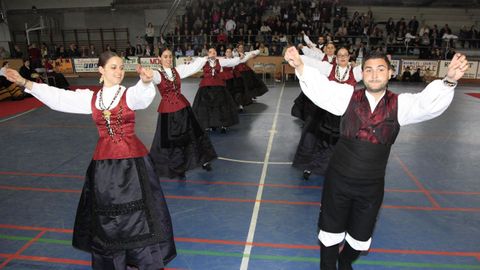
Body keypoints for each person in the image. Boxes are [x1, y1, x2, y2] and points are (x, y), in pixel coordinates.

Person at [284, 46, 468, 269]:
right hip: (338, 181)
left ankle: (344, 261)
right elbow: (322, 88)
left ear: (390, 73)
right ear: (363, 73)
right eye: (368, 70)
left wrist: (448, 80)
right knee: (329, 233)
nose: (374, 74)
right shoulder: (347, 97)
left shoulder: (401, 105)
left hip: (371, 187)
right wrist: (300, 66)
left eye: (380, 69)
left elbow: (426, 104)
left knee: (359, 240)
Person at [4, 51, 177, 269]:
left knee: (139, 216)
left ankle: (143, 259)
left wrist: (145, 82)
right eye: (113, 67)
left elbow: (141, 98)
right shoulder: (91, 98)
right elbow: (59, 98)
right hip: (104, 167)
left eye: (122, 67)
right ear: (101, 71)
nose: (119, 72)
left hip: (133, 165)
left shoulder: (128, 94)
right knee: (109, 219)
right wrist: (25, 83)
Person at [293, 47, 362, 180]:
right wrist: (296, 57)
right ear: (336, 58)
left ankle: (342, 169)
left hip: (345, 114)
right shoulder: (328, 68)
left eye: (345, 55)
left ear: (349, 57)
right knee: (317, 141)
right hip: (326, 113)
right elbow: (312, 63)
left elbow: (370, 67)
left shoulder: (356, 72)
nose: (342, 57)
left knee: (343, 143)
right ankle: (310, 167)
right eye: (340, 55)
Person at [149, 48, 217, 179]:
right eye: (165, 57)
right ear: (159, 58)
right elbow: (150, 76)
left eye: (170, 56)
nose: (168, 59)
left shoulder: (178, 70)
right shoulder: (157, 75)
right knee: (169, 140)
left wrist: (204, 59)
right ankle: (176, 167)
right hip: (167, 112)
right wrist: (145, 74)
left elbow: (193, 66)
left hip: (183, 108)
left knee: (194, 134)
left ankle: (203, 159)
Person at [192, 47, 243, 133]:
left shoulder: (220, 61)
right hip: (206, 87)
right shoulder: (203, 62)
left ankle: (223, 125)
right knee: (206, 106)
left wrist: (240, 58)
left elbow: (231, 62)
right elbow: (193, 65)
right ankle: (209, 124)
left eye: (214, 52)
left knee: (222, 105)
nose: (213, 53)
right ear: (208, 54)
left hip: (219, 86)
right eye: (211, 52)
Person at [292, 41, 337, 122]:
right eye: (328, 48)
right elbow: (310, 54)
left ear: (335, 49)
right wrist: (302, 49)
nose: (330, 50)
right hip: (319, 83)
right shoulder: (320, 56)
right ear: (325, 49)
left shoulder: (338, 59)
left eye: (332, 48)